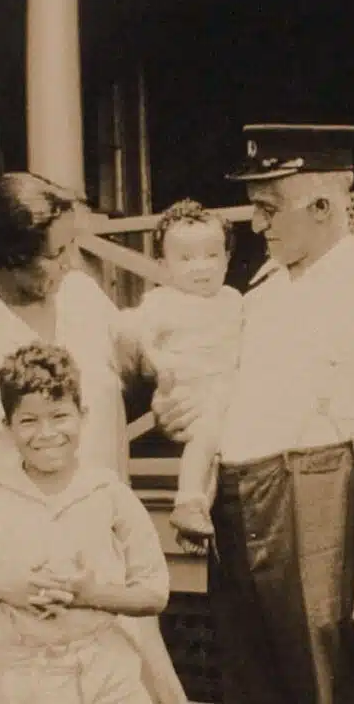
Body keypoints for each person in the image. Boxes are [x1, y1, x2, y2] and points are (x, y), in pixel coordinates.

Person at [0, 171, 187, 704]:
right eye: (55, 254)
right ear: (10, 255)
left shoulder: (81, 297)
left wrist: (167, 384)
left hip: (103, 563)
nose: (70, 264)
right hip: (20, 581)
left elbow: (137, 358)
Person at [153, 123, 354, 704]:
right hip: (241, 507)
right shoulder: (259, 297)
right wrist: (176, 415)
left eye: (268, 208)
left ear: (321, 205)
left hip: (322, 504)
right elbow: (220, 399)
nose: (256, 224)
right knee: (250, 682)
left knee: (326, 680)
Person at [0, 341, 169, 703]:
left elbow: (154, 594)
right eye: (28, 421)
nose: (46, 434)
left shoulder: (108, 493)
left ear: (82, 415)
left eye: (59, 416)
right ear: (7, 426)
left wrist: (91, 595)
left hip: (108, 670)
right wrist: (7, 589)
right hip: (25, 677)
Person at [117, 199, 243, 542]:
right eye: (186, 259)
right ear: (163, 265)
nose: (200, 267)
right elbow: (139, 335)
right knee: (206, 437)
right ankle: (188, 500)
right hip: (189, 387)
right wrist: (162, 367)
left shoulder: (233, 299)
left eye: (211, 255)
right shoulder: (163, 301)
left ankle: (199, 516)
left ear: (228, 258)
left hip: (227, 387)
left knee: (216, 449)